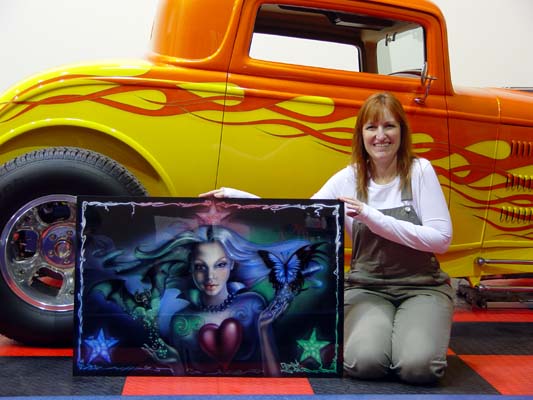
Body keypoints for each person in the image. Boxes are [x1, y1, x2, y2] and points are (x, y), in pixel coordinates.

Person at [200, 91, 454, 384]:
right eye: (371, 127)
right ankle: (390, 337)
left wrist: (372, 217)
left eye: (389, 126)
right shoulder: (348, 178)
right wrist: (238, 198)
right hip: (368, 288)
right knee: (365, 364)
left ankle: (411, 334)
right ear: (361, 135)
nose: (380, 136)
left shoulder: (419, 171)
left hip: (422, 288)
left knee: (417, 368)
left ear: (402, 131)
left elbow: (440, 239)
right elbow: (297, 217)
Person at [90, 224, 325, 376]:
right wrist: (175, 364)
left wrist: (263, 330)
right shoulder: (181, 321)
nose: (210, 276)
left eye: (220, 265)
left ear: (232, 265)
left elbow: (275, 380)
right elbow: (185, 386)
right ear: (191, 269)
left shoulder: (252, 305)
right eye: (201, 267)